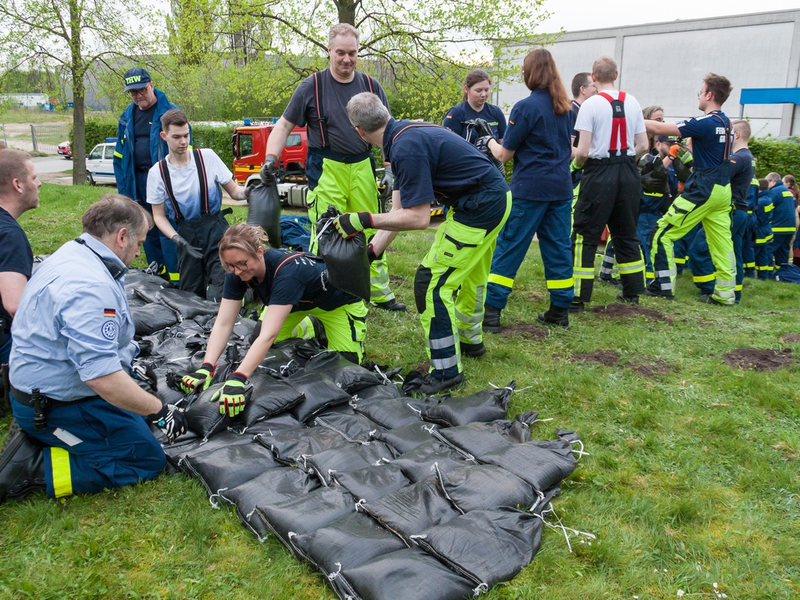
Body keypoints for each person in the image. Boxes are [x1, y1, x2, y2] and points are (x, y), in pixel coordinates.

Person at [2, 195, 186, 502]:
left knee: (135, 417)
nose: (139, 252)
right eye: (139, 243)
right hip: (56, 405)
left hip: (44, 391)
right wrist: (161, 411)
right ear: (122, 236)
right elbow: (102, 378)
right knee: (144, 458)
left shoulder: (75, 253)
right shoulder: (89, 286)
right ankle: (32, 468)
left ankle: (44, 435)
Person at [334, 92, 511, 394]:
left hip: (480, 207)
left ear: (359, 132)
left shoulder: (405, 148)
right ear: (385, 114)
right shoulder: (404, 135)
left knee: (431, 284)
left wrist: (362, 219)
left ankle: (446, 371)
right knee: (471, 275)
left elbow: (418, 218)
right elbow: (398, 212)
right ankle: (470, 341)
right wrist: (371, 252)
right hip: (495, 198)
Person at [261, 24, 403, 312]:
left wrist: (390, 167)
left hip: (362, 165)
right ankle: (323, 289)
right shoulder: (311, 87)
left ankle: (378, 291)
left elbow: (388, 130)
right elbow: (284, 125)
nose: (347, 59)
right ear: (329, 51)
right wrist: (270, 159)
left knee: (371, 226)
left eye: (352, 53)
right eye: (341, 53)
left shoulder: (371, 86)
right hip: (326, 168)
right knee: (327, 232)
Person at [179, 223, 368, 414]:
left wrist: (238, 378)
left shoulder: (288, 273)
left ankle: (317, 326)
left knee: (346, 366)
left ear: (259, 252)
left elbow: (268, 335)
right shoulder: (236, 273)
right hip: (293, 304)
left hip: (337, 304)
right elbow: (223, 323)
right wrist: (207, 366)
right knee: (259, 340)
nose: (237, 271)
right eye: (231, 265)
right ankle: (309, 325)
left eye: (243, 263)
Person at [478, 48, 575, 329]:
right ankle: (560, 310)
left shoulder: (525, 107)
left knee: (510, 246)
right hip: (560, 188)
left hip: (530, 189)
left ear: (530, 73)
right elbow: (568, 150)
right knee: (558, 248)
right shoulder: (565, 107)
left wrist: (488, 140)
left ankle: (492, 313)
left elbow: (504, 154)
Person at [645, 73, 736, 305]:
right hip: (723, 189)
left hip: (703, 188)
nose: (699, 96)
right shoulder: (727, 123)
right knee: (722, 243)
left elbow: (659, 127)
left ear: (709, 95)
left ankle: (662, 286)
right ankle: (725, 295)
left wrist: (628, 117)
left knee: (662, 232)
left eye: (700, 92)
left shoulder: (705, 122)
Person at [571, 55, 648, 309]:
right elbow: (643, 145)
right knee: (626, 232)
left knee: (585, 234)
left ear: (593, 77)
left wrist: (578, 166)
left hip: (598, 172)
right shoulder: (633, 101)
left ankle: (578, 296)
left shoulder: (590, 105)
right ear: (616, 75)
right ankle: (632, 293)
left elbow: (582, 151)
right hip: (628, 171)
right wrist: (626, 163)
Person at [147, 109, 247, 301]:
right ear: (164, 136)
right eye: (177, 137)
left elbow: (235, 192)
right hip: (185, 235)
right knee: (190, 296)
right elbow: (158, 216)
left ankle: (234, 309)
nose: (183, 142)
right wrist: (177, 239)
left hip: (216, 230)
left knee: (224, 288)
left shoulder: (207, 158)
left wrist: (253, 190)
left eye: (186, 135)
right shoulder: (157, 173)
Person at [113, 67, 181, 283]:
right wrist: (124, 192)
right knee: (145, 227)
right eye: (133, 92)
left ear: (151, 85)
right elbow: (119, 157)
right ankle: (157, 276)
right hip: (137, 181)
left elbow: (184, 151)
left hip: (164, 182)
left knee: (167, 229)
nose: (138, 95)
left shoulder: (170, 113)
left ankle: (177, 280)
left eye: (142, 89)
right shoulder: (126, 118)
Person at [688, 119, 754, 303]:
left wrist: (691, 161)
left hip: (730, 211)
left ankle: (709, 289)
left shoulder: (738, 158)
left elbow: (716, 176)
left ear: (737, 135)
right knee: (733, 254)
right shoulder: (748, 157)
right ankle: (735, 294)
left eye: (729, 134)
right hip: (740, 211)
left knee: (700, 249)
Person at [0, 150, 39, 366]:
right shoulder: (9, 235)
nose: (39, 184)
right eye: (34, 178)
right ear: (18, 185)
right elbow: (15, 305)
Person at [443, 69, 507, 143]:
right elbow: (448, 144)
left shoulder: (496, 112)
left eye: (486, 90)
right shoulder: (456, 113)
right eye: (478, 90)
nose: (483, 94)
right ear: (466, 89)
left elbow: (503, 144)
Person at [569, 72, 597, 205]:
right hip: (574, 177)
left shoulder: (585, 111)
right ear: (583, 89)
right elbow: (567, 148)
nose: (597, 90)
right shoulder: (572, 112)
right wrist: (594, 154)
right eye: (594, 86)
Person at [766, 172, 796, 271]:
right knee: (783, 252)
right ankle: (782, 273)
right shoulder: (787, 191)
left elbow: (768, 208)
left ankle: (768, 273)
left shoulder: (775, 191)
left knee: (768, 250)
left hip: (778, 227)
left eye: (768, 182)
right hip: (790, 227)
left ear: (773, 181)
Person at [753, 178, 775, 279]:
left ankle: (750, 275)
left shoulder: (760, 201)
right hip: (766, 230)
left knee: (753, 255)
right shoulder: (768, 198)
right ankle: (764, 277)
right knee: (763, 256)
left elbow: (756, 218)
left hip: (759, 231)